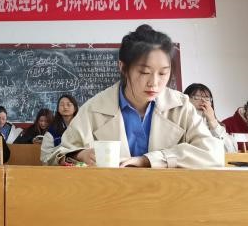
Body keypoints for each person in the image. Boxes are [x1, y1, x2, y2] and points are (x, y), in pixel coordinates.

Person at [48, 25, 223, 167]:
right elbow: (55, 154)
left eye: (163, 73)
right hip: (110, 195)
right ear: (123, 67)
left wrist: (149, 160)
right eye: (144, 72)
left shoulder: (181, 106)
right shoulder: (94, 108)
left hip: (169, 195)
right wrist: (80, 154)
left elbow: (213, 153)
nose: (154, 83)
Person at [183, 83, 237, 153]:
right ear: (186, 99)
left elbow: (231, 151)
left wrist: (213, 122)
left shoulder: (218, 125)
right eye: (197, 97)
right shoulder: (180, 122)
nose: (203, 100)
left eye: (207, 98)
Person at [40, 94, 79, 164]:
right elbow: (44, 158)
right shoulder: (51, 132)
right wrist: (60, 159)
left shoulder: (83, 127)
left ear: (75, 108)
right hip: (59, 168)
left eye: (69, 104)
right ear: (58, 109)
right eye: (62, 105)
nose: (65, 107)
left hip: (81, 167)